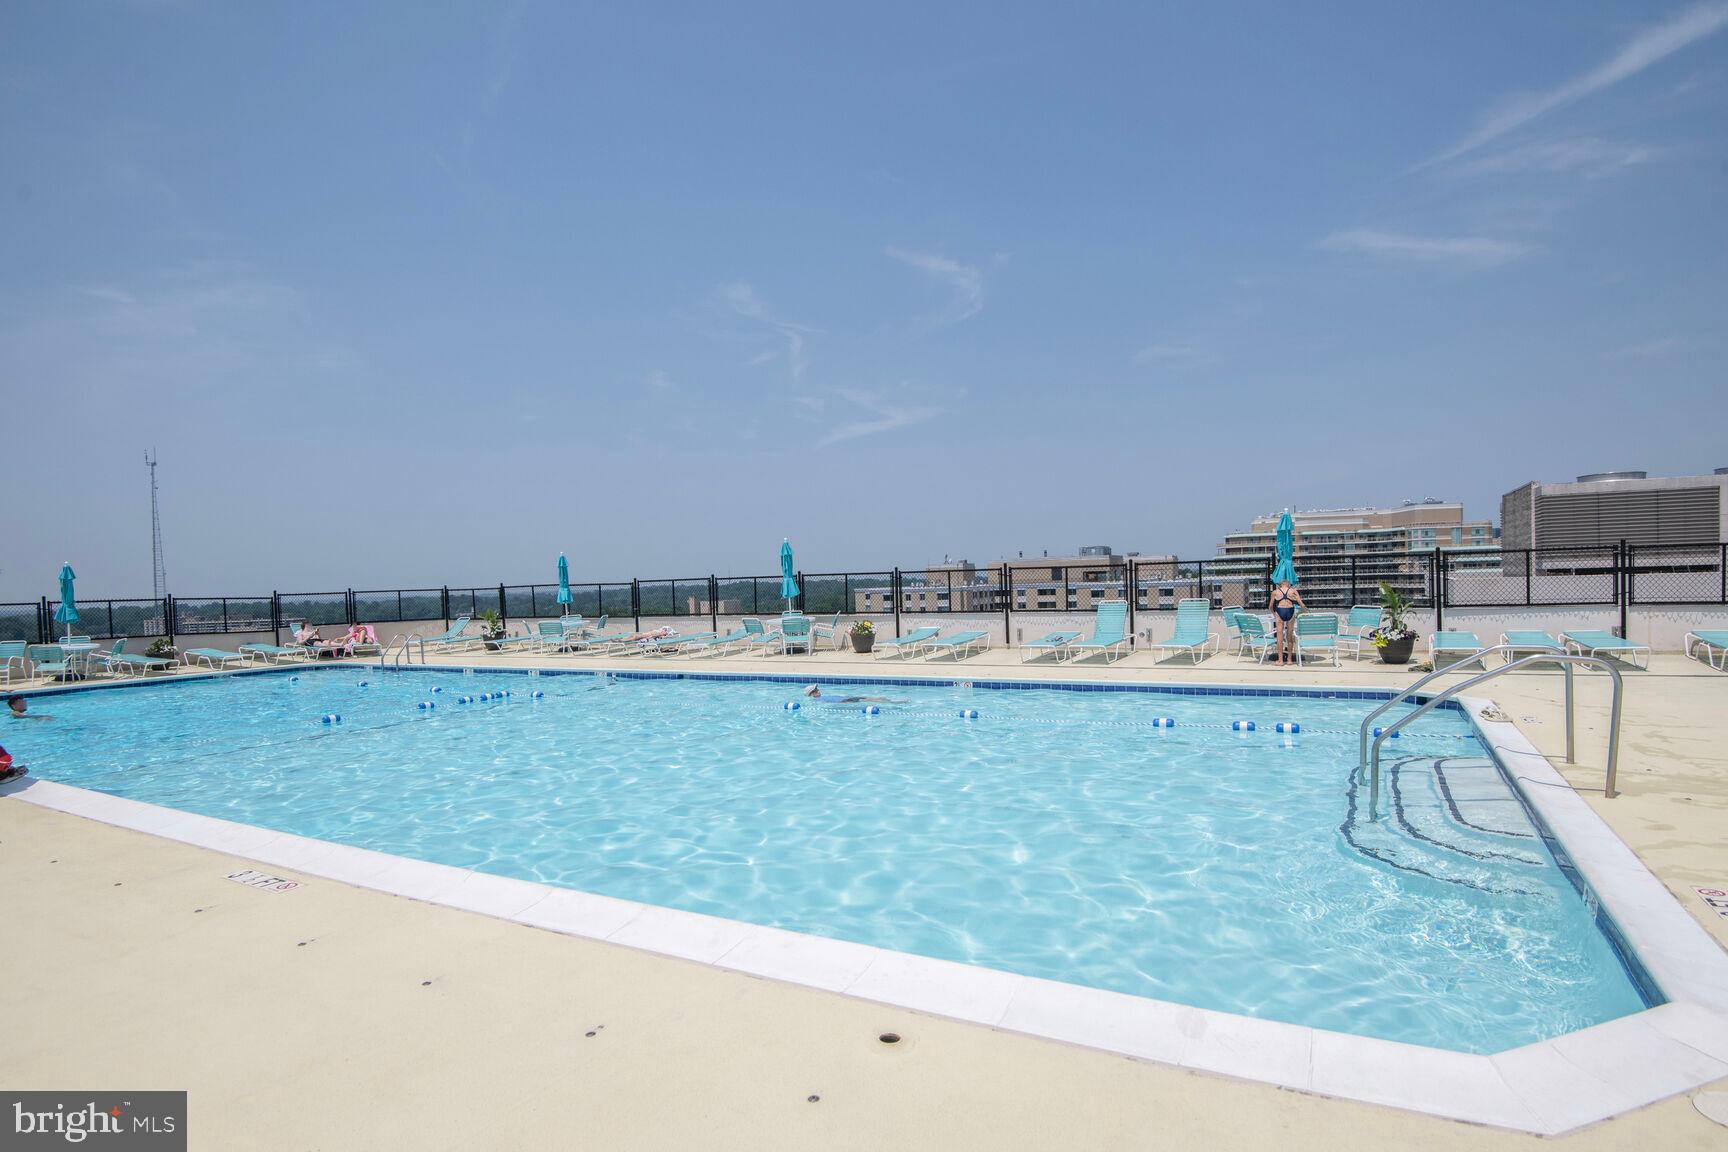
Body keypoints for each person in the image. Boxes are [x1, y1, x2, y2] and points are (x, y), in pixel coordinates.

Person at [1269, 579, 1305, 666]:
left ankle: (1280, 661)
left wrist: (1274, 613)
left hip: (1280, 611)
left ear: (1280, 585)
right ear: (1288, 584)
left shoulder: (1275, 592)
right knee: (1290, 636)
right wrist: (1304, 611)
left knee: (1279, 637)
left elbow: (1270, 606)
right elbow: (1301, 604)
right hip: (1290, 611)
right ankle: (1289, 660)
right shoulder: (1293, 591)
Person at [802, 685, 907, 704]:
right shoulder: (817, 701)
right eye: (815, 691)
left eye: (818, 689)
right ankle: (894, 703)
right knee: (865, 700)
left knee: (865, 698)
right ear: (811, 695)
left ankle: (888, 700)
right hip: (844, 702)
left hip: (845, 698)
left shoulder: (820, 698)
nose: (818, 691)